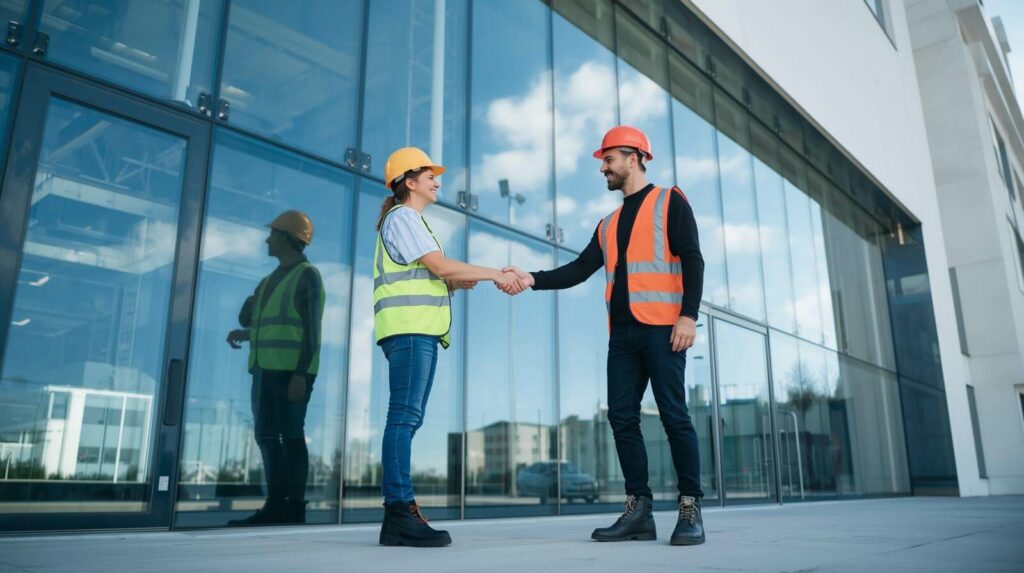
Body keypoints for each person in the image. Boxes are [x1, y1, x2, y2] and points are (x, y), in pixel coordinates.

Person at [502, 126, 707, 546]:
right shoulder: (607, 223)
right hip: (623, 335)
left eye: (608, 159)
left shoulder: (670, 202)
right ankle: (639, 510)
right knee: (621, 418)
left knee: (674, 415)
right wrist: (532, 278)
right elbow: (578, 270)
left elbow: (693, 259)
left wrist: (688, 317)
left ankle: (690, 507)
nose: (603, 167)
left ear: (634, 158)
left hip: (664, 329)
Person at [374, 147, 526, 547]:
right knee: (403, 419)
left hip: (416, 331)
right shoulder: (404, 217)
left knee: (408, 419)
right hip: (409, 331)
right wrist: (496, 273)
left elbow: (436, 274)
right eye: (429, 175)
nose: (436, 181)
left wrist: (456, 281)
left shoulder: (413, 222)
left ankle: (398, 515)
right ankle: (399, 510)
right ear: (409, 182)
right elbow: (440, 267)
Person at [225, 210, 324, 526]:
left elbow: (311, 329)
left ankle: (293, 507)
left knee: (291, 437)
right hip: (264, 371)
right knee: (267, 437)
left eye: (273, 233)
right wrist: (246, 330)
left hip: (291, 373)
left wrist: (301, 373)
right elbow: (250, 320)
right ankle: (274, 505)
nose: (267, 238)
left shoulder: (307, 275)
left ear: (286, 237)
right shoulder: (268, 281)